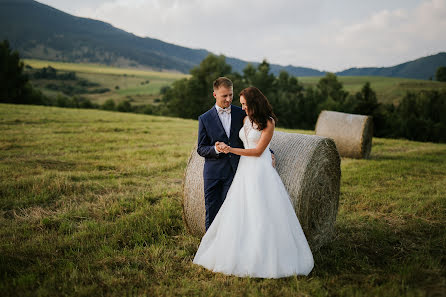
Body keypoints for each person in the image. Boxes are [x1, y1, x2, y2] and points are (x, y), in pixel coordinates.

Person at [193, 86, 314, 278]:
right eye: (240, 104)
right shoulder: (244, 118)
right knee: (240, 209)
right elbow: (241, 140)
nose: (242, 108)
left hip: (260, 169)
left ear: (254, 103)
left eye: (244, 104)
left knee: (261, 209)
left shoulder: (269, 122)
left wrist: (231, 150)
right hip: (244, 170)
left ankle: (265, 256)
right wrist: (218, 146)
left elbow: (258, 150)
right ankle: (235, 249)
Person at [197, 77, 275, 231]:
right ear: (215, 95)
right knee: (212, 210)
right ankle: (210, 246)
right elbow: (201, 148)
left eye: (231, 95)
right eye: (224, 96)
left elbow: (256, 134)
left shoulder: (243, 113)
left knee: (233, 213)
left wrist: (269, 151)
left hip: (236, 171)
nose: (228, 99)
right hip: (213, 172)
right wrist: (216, 149)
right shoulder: (204, 119)